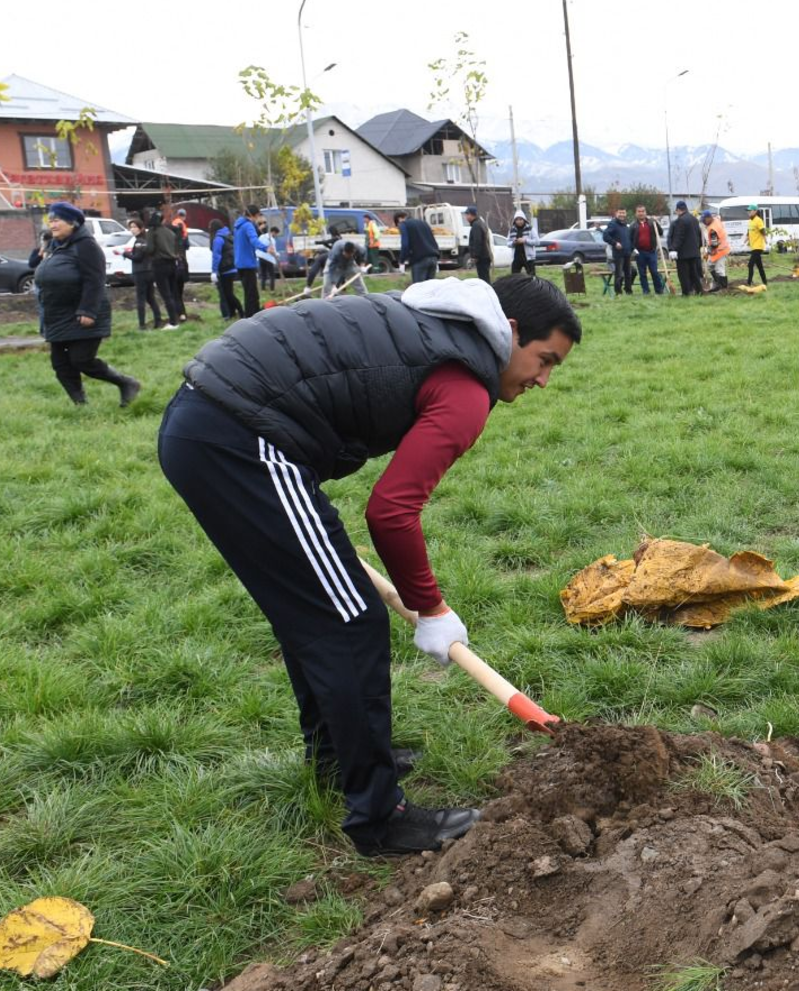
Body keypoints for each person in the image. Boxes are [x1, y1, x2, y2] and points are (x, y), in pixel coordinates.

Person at [159, 274, 580, 857]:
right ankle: (381, 818)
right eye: (543, 360)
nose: (542, 379)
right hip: (241, 439)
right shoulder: (466, 386)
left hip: (210, 424)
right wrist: (430, 607)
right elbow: (391, 511)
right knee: (349, 622)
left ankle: (340, 760)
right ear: (508, 333)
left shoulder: (435, 328)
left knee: (319, 614)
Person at [36, 202, 140, 406]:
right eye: (51, 221)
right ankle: (80, 404)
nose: (52, 225)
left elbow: (95, 279)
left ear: (72, 223)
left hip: (84, 313)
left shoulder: (86, 245)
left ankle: (126, 383)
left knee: (81, 359)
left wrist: (88, 310)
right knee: (60, 364)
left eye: (57, 220)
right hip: (58, 315)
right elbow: (35, 265)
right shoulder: (57, 245)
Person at [123, 218, 166, 331]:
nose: (132, 229)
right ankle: (158, 320)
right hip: (150, 271)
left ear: (141, 228)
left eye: (134, 227)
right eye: (131, 227)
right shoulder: (147, 240)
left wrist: (125, 254)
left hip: (140, 272)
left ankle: (142, 325)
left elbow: (137, 258)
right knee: (151, 298)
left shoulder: (139, 241)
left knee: (141, 299)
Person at [668, 201, 704, 296]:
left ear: (678, 210)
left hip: (683, 254)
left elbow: (679, 237)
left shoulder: (681, 220)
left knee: (683, 274)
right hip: (694, 252)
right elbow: (699, 235)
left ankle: (686, 292)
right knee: (694, 273)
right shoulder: (694, 219)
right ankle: (699, 290)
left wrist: (673, 249)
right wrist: (698, 247)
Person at [629, 205, 667, 294]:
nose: (641, 213)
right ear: (636, 213)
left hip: (651, 251)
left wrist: (657, 222)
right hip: (640, 253)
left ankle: (659, 290)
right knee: (642, 274)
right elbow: (629, 239)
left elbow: (660, 232)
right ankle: (646, 291)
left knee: (654, 272)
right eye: (639, 211)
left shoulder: (651, 222)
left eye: (642, 211)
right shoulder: (633, 225)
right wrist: (634, 249)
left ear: (645, 212)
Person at [210, 220, 243, 319]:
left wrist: (214, 271)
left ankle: (241, 311)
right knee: (229, 292)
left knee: (228, 294)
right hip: (232, 267)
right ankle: (232, 313)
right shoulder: (228, 235)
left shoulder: (218, 239)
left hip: (224, 269)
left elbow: (216, 256)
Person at [396, 212, 440, 285]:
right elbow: (433, 240)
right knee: (430, 289)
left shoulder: (403, 224)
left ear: (399, 219)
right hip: (433, 258)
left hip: (420, 260)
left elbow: (405, 245)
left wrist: (402, 261)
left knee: (418, 290)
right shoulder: (424, 223)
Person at [235, 207, 264, 311]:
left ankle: (250, 314)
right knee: (252, 295)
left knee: (248, 293)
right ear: (254, 215)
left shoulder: (238, 226)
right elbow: (254, 241)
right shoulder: (248, 226)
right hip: (248, 263)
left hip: (240, 264)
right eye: (258, 215)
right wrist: (266, 248)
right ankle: (253, 315)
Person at [602, 207, 634, 294]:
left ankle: (628, 291)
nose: (622, 215)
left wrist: (632, 248)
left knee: (629, 274)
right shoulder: (613, 224)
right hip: (619, 254)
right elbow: (605, 236)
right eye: (620, 213)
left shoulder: (626, 225)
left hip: (627, 253)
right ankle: (618, 292)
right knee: (619, 274)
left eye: (623, 213)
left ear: (626, 214)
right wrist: (615, 243)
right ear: (616, 214)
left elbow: (629, 239)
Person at [703, 208, 730, 292]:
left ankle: (724, 288)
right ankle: (718, 283)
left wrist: (707, 252)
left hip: (721, 250)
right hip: (719, 249)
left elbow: (714, 244)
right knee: (710, 266)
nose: (703, 222)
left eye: (704, 220)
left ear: (708, 218)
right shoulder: (716, 220)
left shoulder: (712, 230)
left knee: (719, 269)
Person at [465, 207, 492, 284]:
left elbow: (478, 241)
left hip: (482, 257)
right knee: (485, 277)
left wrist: (475, 256)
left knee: (484, 279)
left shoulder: (476, 225)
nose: (466, 217)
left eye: (467, 214)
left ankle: (488, 293)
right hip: (485, 256)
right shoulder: (480, 223)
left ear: (473, 215)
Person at [506, 211, 537, 276]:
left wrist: (525, 241)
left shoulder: (530, 229)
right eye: (517, 219)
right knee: (514, 278)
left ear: (524, 219)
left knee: (532, 277)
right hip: (516, 257)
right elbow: (508, 243)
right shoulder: (511, 230)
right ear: (515, 221)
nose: (519, 221)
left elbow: (537, 241)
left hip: (528, 258)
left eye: (521, 219)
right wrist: (513, 242)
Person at [746, 204, 769, 286]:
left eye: (750, 210)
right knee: (760, 266)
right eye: (748, 211)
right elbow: (748, 231)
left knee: (750, 264)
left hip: (758, 247)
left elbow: (762, 230)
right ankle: (765, 282)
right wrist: (746, 238)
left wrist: (765, 239)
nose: (749, 212)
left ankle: (749, 283)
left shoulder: (758, 220)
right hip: (753, 246)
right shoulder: (750, 221)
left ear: (755, 211)